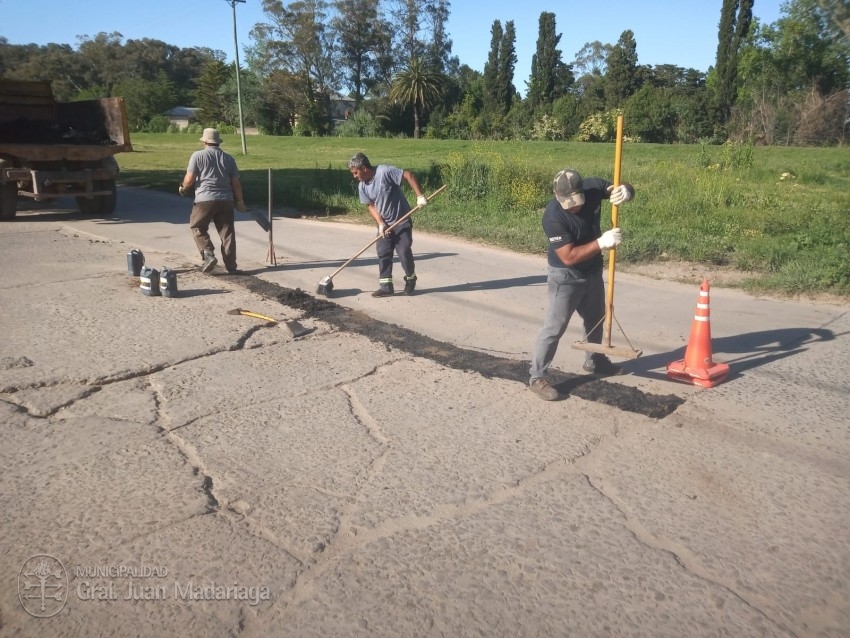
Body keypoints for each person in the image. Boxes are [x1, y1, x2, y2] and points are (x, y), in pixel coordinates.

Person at [528, 168, 635, 401]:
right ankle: (537, 376)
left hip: (593, 272)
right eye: (567, 203)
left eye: (576, 201)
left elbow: (615, 187)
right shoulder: (553, 217)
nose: (573, 207)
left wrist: (626, 191)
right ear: (556, 195)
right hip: (565, 276)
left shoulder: (593, 187)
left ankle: (595, 360)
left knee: (596, 318)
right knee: (554, 327)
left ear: (582, 190)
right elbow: (569, 257)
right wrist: (601, 243)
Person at [348, 152, 428, 297]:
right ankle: (386, 287)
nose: (354, 176)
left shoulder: (384, 172)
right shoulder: (362, 186)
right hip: (385, 225)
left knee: (403, 252)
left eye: (355, 172)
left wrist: (420, 196)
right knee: (383, 253)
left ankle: (410, 279)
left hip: (402, 220)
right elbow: (371, 206)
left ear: (364, 168)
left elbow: (408, 175)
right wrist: (380, 224)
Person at [179, 128, 246, 275]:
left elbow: (189, 178)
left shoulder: (197, 156)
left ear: (204, 141)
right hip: (226, 200)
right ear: (217, 142)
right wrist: (239, 200)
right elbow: (236, 183)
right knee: (227, 233)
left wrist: (184, 188)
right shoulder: (229, 159)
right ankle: (231, 266)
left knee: (197, 227)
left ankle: (208, 254)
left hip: (205, 199)